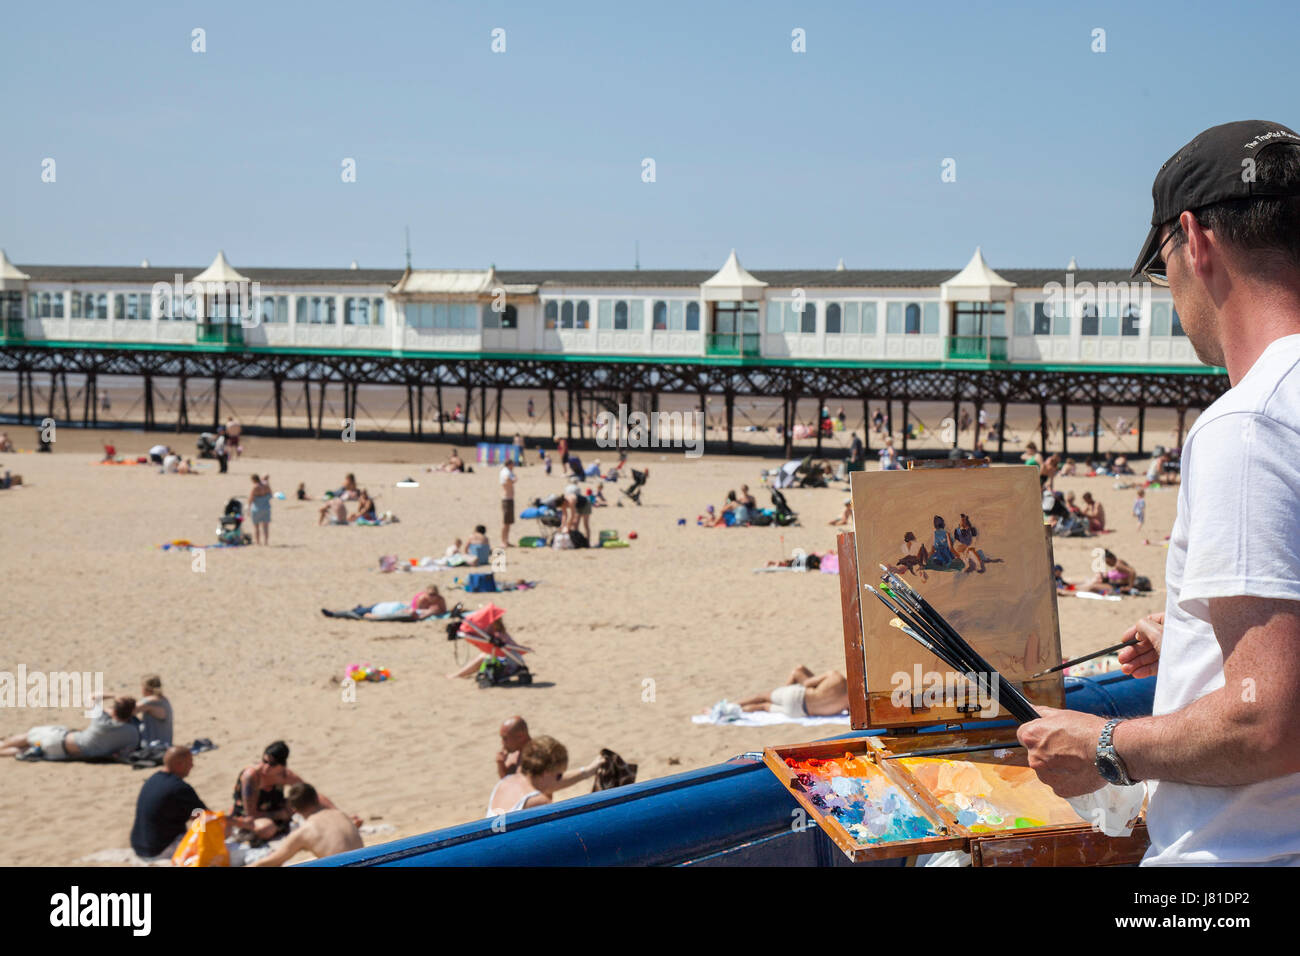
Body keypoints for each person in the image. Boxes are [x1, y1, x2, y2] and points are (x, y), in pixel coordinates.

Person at [1020, 120, 1300, 866]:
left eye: (1162, 267)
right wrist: (1194, 643)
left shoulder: (1252, 422)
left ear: (1194, 240)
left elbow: (1269, 723)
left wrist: (1106, 747)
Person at [230, 741, 354, 842]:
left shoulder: (285, 776)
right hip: (250, 820)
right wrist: (280, 814)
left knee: (308, 807)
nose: (266, 767)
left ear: (282, 765)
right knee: (266, 828)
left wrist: (340, 815)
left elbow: (311, 794)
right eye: (264, 761)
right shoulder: (251, 776)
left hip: (278, 813)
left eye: (272, 764)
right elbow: (251, 815)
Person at [130, 745, 213, 861]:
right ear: (179, 764)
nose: (192, 766)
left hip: (139, 847)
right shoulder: (179, 788)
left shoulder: (153, 779)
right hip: (158, 851)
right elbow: (205, 818)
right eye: (190, 762)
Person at [250, 783, 363, 866]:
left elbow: (272, 862)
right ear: (316, 798)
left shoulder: (304, 832)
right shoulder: (341, 814)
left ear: (295, 810)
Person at [485, 736, 600, 817]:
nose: (559, 779)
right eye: (559, 775)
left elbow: (553, 783)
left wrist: (588, 771)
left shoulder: (505, 781)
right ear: (546, 772)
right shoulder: (538, 801)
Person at [0, 696, 140, 761]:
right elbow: (124, 752)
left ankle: (3, 745)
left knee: (29, 736)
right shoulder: (132, 734)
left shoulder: (101, 721)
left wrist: (112, 695)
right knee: (24, 749)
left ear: (114, 711)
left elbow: (92, 698)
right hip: (62, 754)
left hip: (59, 740)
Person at [735, 666, 849, 718]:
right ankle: (735, 712)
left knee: (761, 696)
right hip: (798, 712)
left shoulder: (835, 676)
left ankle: (731, 707)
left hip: (796, 696)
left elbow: (807, 683)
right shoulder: (850, 703)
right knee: (763, 707)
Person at [248, 473, 272, 545]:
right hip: (266, 508)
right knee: (265, 527)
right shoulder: (266, 486)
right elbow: (271, 495)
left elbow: (251, 499)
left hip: (256, 509)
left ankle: (258, 542)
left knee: (256, 527)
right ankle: (266, 542)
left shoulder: (255, 487)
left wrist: (248, 507)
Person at [500, 459, 516, 547]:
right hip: (506, 499)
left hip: (510, 498)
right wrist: (513, 480)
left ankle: (506, 540)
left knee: (509, 522)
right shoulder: (505, 471)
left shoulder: (509, 471)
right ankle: (503, 541)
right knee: (505, 522)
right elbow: (508, 480)